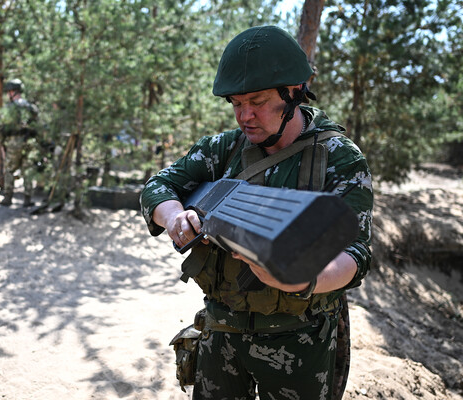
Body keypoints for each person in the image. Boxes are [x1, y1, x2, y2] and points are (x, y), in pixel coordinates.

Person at [140, 26, 373, 399]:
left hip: (300, 339)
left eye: (258, 101)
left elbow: (356, 253)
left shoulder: (339, 158)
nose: (245, 115)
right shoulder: (224, 150)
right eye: (235, 103)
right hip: (222, 332)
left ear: (294, 92)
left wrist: (303, 279)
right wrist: (174, 217)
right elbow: (158, 186)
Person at [0, 78, 40, 207]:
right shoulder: (31, 108)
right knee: (27, 169)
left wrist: (1, 143)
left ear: (12, 92)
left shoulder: (8, 108)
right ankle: (27, 198)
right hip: (29, 142)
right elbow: (38, 126)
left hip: (13, 142)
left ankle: (8, 197)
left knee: (10, 169)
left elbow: (2, 128)